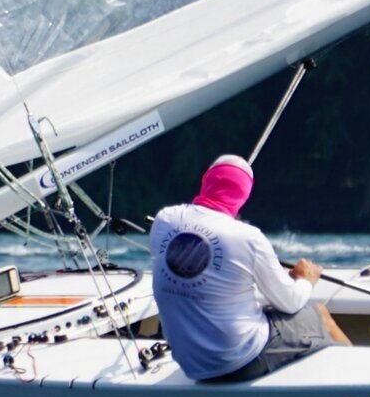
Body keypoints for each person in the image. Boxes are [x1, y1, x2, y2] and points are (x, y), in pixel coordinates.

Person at [148, 153, 349, 383]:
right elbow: (291, 302)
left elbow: (208, 277)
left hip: (191, 364)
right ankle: (358, 382)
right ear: (244, 196)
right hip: (238, 362)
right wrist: (305, 279)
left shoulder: (164, 219)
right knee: (319, 313)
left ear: (206, 182)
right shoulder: (249, 237)